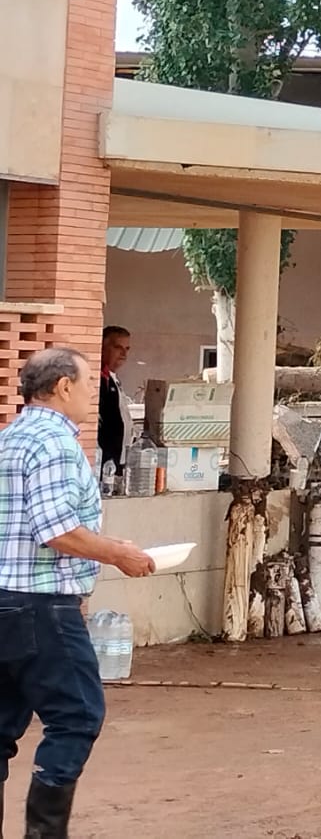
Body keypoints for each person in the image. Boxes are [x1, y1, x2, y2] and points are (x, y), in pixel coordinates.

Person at [0, 346, 157, 836]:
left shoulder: (9, 438)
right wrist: (118, 553)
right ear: (64, 386)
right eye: (89, 384)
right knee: (77, 715)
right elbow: (56, 528)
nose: (93, 393)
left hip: (6, 599)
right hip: (40, 604)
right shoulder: (55, 444)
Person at [96, 328, 131, 477]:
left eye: (127, 348)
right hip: (103, 464)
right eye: (118, 347)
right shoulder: (99, 380)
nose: (124, 354)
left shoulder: (112, 379)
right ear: (103, 347)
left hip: (119, 461)